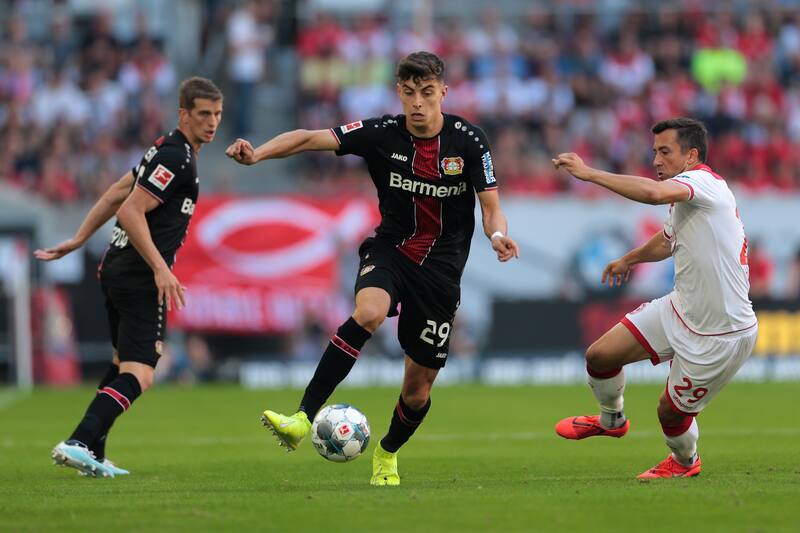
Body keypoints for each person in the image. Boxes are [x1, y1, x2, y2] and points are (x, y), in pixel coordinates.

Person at [226, 51, 519, 486]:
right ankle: (302, 419)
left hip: (440, 272)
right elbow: (310, 138)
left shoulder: (468, 141)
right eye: (409, 92)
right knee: (368, 312)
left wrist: (497, 237)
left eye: (426, 92)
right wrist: (258, 155)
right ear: (399, 93)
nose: (417, 102)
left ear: (443, 92)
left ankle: (386, 452)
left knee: (417, 391)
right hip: (391, 251)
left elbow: (491, 207)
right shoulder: (382, 133)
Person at [35, 77, 223, 478]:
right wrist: (160, 268)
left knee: (123, 362)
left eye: (218, 114)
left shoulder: (164, 148)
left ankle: (93, 452)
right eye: (204, 113)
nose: (212, 122)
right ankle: (80, 441)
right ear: (184, 114)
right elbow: (131, 211)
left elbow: (118, 191)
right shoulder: (176, 156)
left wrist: (79, 238)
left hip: (116, 267)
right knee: (142, 372)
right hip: (138, 275)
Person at [551, 117, 757, 479]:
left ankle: (685, 462)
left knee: (669, 412)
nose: (656, 160)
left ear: (691, 155)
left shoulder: (703, 182)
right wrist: (628, 259)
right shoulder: (686, 199)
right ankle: (611, 420)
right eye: (654, 152)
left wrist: (590, 174)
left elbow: (652, 193)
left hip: (721, 333)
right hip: (680, 308)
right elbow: (666, 240)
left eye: (665, 152)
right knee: (600, 356)